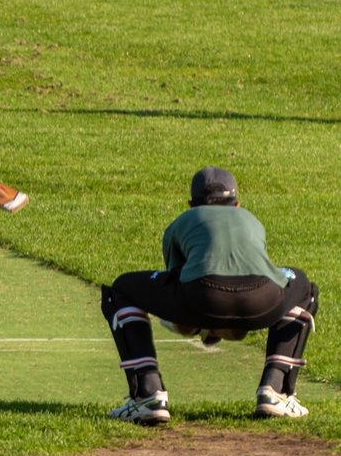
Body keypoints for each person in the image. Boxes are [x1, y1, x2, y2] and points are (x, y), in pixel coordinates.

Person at [100, 167, 319, 425]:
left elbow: (179, 287)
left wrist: (208, 324)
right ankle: (276, 390)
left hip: (201, 297)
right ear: (237, 204)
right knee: (303, 286)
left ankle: (147, 396)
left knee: (121, 289)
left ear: (191, 204)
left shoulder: (182, 221)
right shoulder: (251, 220)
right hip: (263, 299)